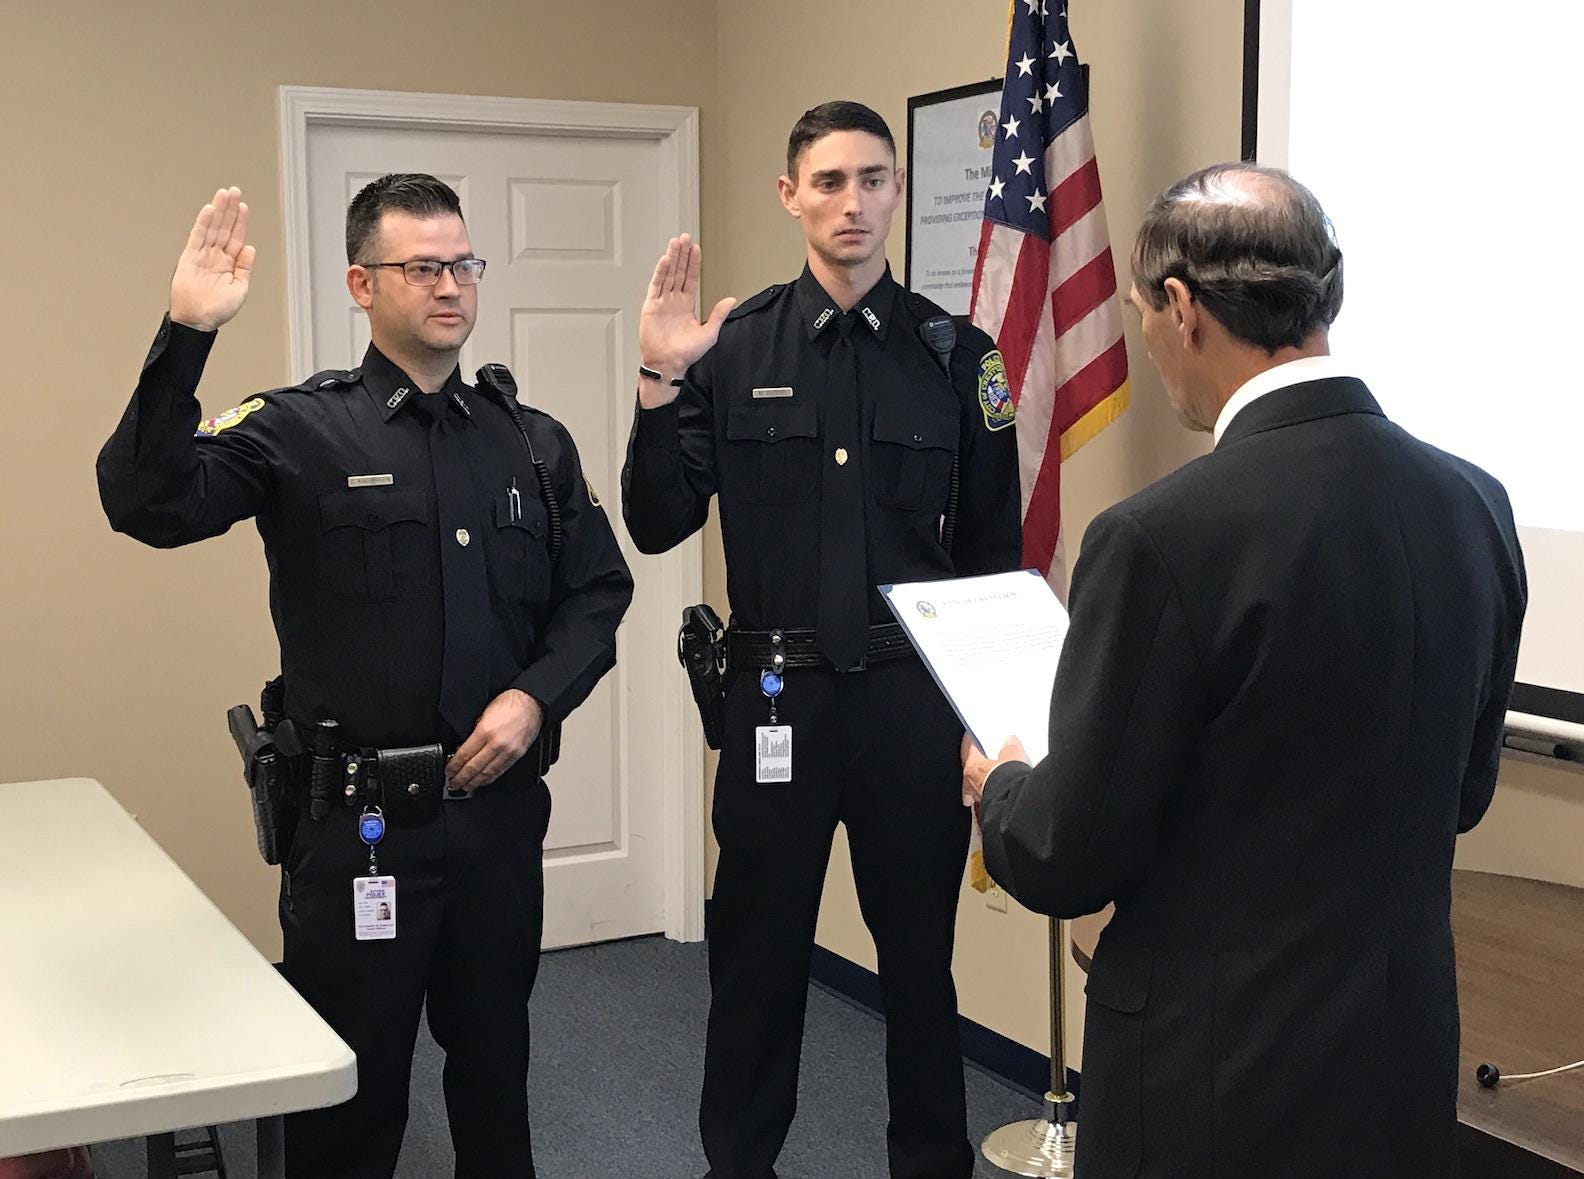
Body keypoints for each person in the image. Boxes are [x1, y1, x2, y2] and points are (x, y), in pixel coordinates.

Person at [961, 162, 1527, 1179]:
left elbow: (1066, 854)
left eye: (1140, 314)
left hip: (1214, 1077)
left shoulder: (1159, 537)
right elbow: (1465, 794)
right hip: (1399, 1057)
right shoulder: (1477, 504)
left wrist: (1000, 787)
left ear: (1182, 307)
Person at [97, 175, 633, 1178]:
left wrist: (534, 698)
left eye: (462, 264)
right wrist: (186, 336)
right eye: (420, 266)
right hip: (357, 833)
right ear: (361, 282)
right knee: (348, 1094)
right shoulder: (302, 429)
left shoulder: (531, 441)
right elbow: (144, 501)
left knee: (494, 1075)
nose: (449, 287)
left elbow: (598, 594)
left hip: (497, 823)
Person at [623, 101, 1022, 1178]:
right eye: (832, 181)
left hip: (909, 708)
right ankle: (739, 1164)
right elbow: (657, 518)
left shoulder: (957, 358)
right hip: (775, 707)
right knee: (756, 966)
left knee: (919, 973)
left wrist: (992, 734)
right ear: (790, 194)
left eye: (875, 180)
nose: (856, 202)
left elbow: (994, 563)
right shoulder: (728, 346)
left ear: (895, 194)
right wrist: (659, 383)